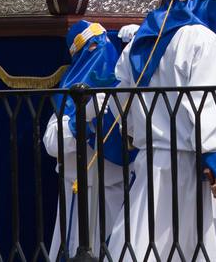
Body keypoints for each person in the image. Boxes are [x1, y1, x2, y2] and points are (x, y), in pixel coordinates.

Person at [112, 0, 216, 260]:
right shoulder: (203, 40)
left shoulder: (141, 39)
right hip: (189, 164)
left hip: (151, 157)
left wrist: (137, 133)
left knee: (142, 241)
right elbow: (205, 104)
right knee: (190, 245)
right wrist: (214, 159)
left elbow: (121, 95)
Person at [42, 20, 130, 261]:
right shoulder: (67, 95)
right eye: (93, 47)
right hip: (78, 196)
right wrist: (82, 118)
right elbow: (51, 142)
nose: (101, 51)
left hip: (115, 193)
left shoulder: (122, 87)